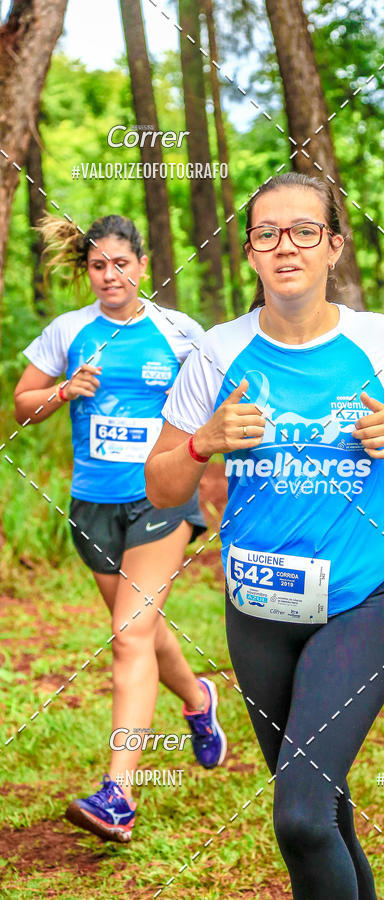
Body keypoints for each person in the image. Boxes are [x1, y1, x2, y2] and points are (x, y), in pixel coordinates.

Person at [145, 172, 384, 899]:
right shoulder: (217, 352)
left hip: (361, 600)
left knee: (302, 818)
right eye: (267, 233)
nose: (286, 246)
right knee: (327, 806)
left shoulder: (377, 340)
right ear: (251, 252)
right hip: (258, 612)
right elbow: (161, 487)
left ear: (333, 247)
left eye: (304, 231)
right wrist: (204, 442)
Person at [14, 215, 226, 843]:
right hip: (93, 505)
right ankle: (197, 700)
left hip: (159, 499)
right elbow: (25, 402)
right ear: (89, 271)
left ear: (143, 266)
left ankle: (118, 794)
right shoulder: (70, 332)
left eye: (121, 263)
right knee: (141, 628)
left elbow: (223, 388)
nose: (111, 275)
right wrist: (62, 392)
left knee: (128, 636)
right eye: (99, 265)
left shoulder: (178, 331)